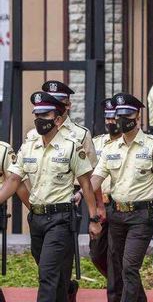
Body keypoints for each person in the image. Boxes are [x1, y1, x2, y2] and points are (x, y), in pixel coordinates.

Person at [0, 91, 102, 302]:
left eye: (45, 115)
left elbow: (86, 184)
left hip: (61, 219)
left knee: (47, 274)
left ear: (57, 119)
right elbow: (13, 181)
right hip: (36, 219)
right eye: (37, 114)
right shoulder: (28, 147)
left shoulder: (72, 147)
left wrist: (94, 219)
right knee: (56, 274)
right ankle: (68, 292)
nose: (39, 119)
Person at [90, 93, 153, 301]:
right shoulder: (110, 149)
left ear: (137, 116)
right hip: (116, 215)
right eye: (119, 115)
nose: (122, 120)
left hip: (141, 217)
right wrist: (77, 195)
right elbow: (95, 180)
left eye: (127, 115)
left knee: (129, 266)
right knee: (118, 266)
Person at [89, 99, 122, 282]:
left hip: (120, 206)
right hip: (100, 205)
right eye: (108, 118)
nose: (111, 122)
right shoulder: (96, 143)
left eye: (115, 117)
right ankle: (122, 283)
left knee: (115, 256)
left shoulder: (128, 143)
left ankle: (118, 289)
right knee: (96, 254)